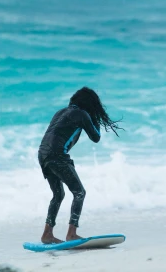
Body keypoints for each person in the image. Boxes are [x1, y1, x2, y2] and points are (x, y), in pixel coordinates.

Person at [38, 87, 121, 244]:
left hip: (42, 154)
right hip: (57, 155)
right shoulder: (82, 114)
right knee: (79, 192)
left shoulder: (60, 112)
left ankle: (47, 234)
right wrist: (94, 116)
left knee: (58, 195)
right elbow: (96, 137)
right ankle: (72, 233)